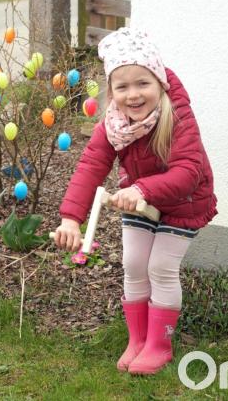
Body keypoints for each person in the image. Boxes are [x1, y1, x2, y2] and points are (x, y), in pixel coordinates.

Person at [53, 28, 217, 375]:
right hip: (138, 199)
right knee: (134, 262)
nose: (134, 95)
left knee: (160, 267)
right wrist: (71, 218)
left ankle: (160, 344)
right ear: (111, 91)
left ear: (159, 81)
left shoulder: (178, 117)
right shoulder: (114, 124)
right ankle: (138, 339)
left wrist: (142, 189)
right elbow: (90, 166)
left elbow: (190, 170)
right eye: (122, 86)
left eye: (143, 83)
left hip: (184, 202)